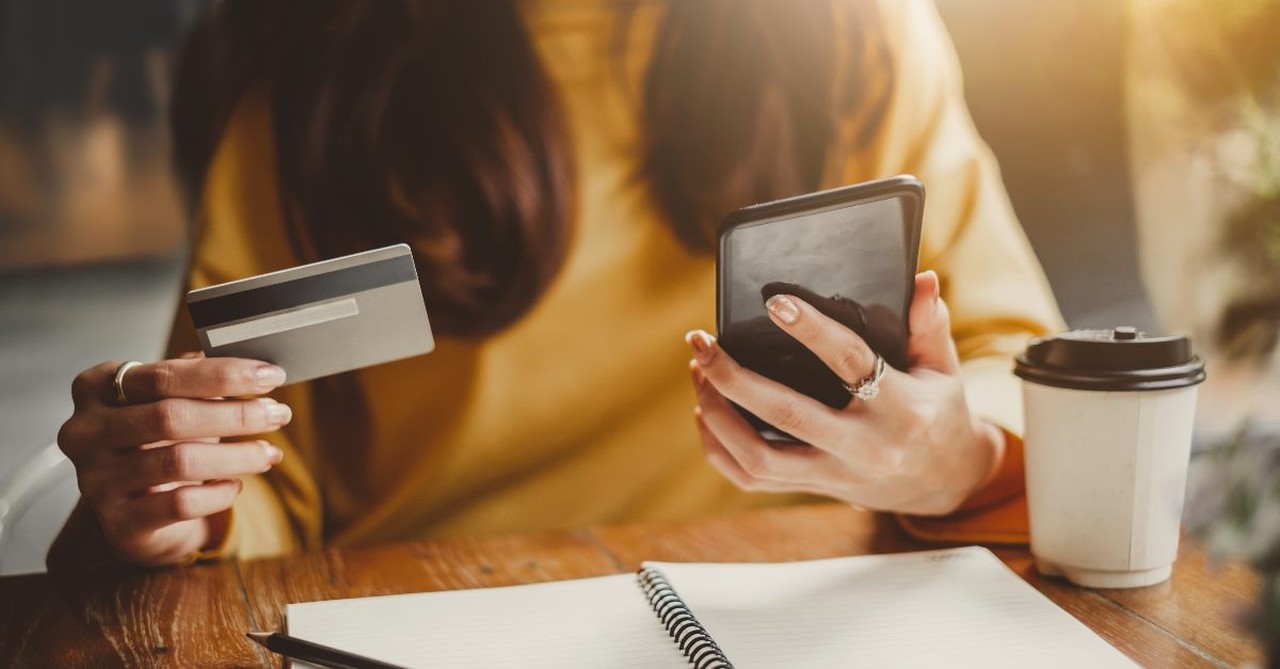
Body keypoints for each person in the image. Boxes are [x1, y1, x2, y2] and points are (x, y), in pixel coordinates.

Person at [50, 0, 1062, 569]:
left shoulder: (862, 38)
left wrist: (955, 459)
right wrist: (189, 504)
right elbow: (264, 483)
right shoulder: (308, 92)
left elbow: (1019, 367)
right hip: (414, 613)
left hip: (809, 607)